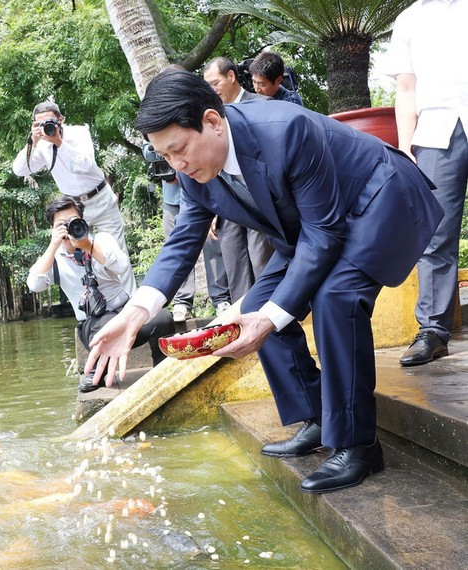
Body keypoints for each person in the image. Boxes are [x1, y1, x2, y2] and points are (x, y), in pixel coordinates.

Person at [85, 68, 443, 493]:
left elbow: (325, 234)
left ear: (213, 122)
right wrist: (134, 314)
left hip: (379, 197)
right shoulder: (191, 171)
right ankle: (317, 417)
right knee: (255, 307)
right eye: (165, 157)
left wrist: (273, 319)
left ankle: (358, 445)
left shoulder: (285, 130)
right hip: (315, 228)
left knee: (335, 299)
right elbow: (183, 240)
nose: (176, 165)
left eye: (179, 149)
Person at [386, 0, 468, 366]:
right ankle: (433, 330)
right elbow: (406, 88)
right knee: (436, 233)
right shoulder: (408, 19)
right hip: (436, 132)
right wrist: (405, 145)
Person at [27, 195, 174, 392]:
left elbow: (122, 266)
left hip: (125, 312)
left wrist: (88, 246)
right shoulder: (53, 258)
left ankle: (163, 365)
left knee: (163, 316)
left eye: (73, 222)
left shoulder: (102, 240)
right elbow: (35, 284)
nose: (68, 228)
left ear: (82, 221)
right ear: (52, 229)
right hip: (93, 324)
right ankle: (98, 370)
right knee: (104, 323)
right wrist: (53, 245)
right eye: (61, 225)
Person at [13, 101, 131, 257]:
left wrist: (59, 143)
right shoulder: (41, 145)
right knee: (80, 256)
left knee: (117, 252)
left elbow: (86, 164)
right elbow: (20, 170)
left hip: (101, 198)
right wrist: (32, 143)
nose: (46, 126)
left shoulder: (79, 133)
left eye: (50, 121)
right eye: (40, 124)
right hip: (74, 207)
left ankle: (124, 281)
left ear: (61, 119)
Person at [204, 57, 274, 301]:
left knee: (261, 260)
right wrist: (213, 209)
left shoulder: (263, 104)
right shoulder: (210, 117)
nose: (212, 90)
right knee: (234, 262)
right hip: (230, 204)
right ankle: (242, 318)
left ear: (231, 76)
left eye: (215, 83)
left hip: (260, 200)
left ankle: (271, 317)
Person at [142, 145, 231, 322]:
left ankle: (221, 299)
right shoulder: (155, 140)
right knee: (176, 249)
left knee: (213, 245)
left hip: (202, 191)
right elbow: (147, 152)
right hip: (172, 199)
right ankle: (182, 302)